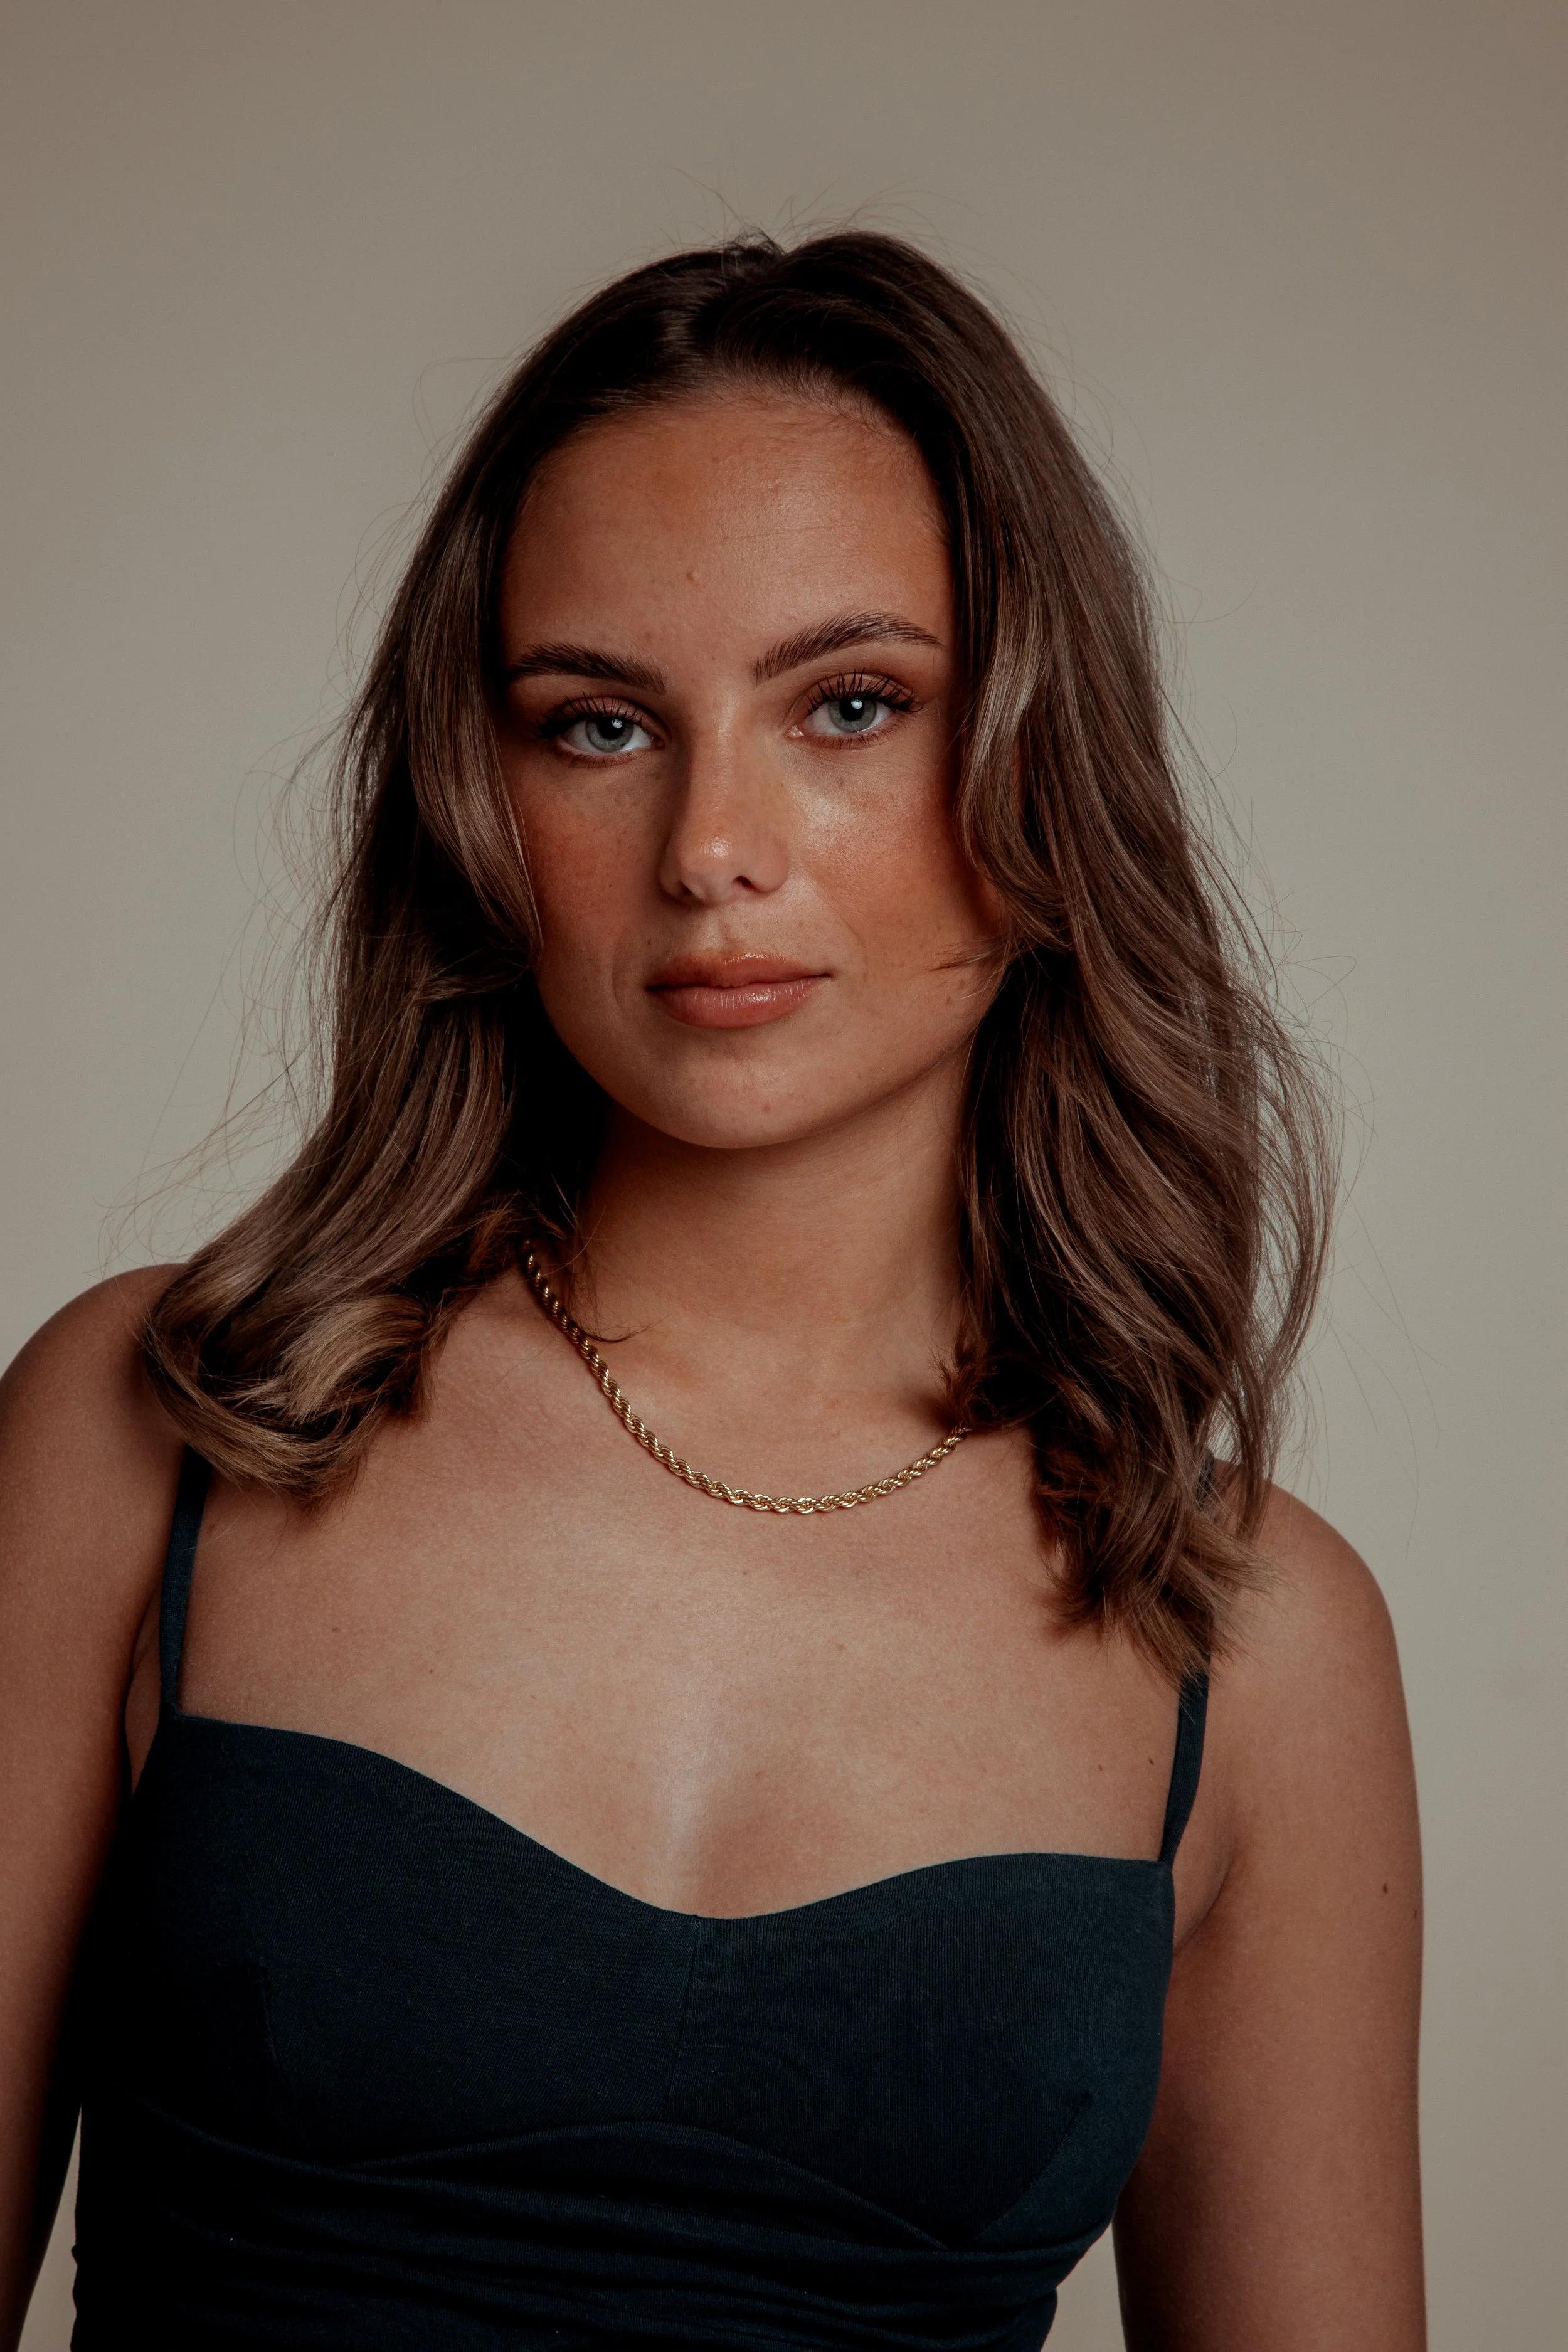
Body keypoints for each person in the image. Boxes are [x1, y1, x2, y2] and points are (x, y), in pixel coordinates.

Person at [0, 231, 1424, 2351]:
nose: (709, 846)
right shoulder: (164, 1428)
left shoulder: (1247, 1634)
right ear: (480, 798)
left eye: (848, 704)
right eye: (597, 724)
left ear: (1035, 757)